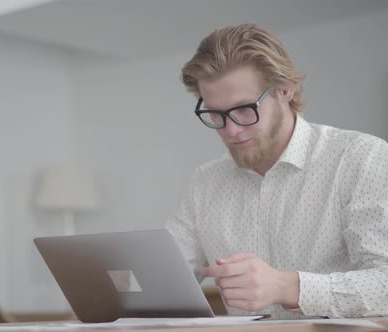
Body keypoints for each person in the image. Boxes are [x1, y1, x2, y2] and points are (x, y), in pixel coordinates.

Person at [166, 23, 388, 319]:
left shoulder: (361, 158)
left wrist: (287, 286)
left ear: (285, 89)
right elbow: (165, 277)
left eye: (244, 109)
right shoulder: (205, 182)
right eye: (216, 114)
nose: (231, 130)